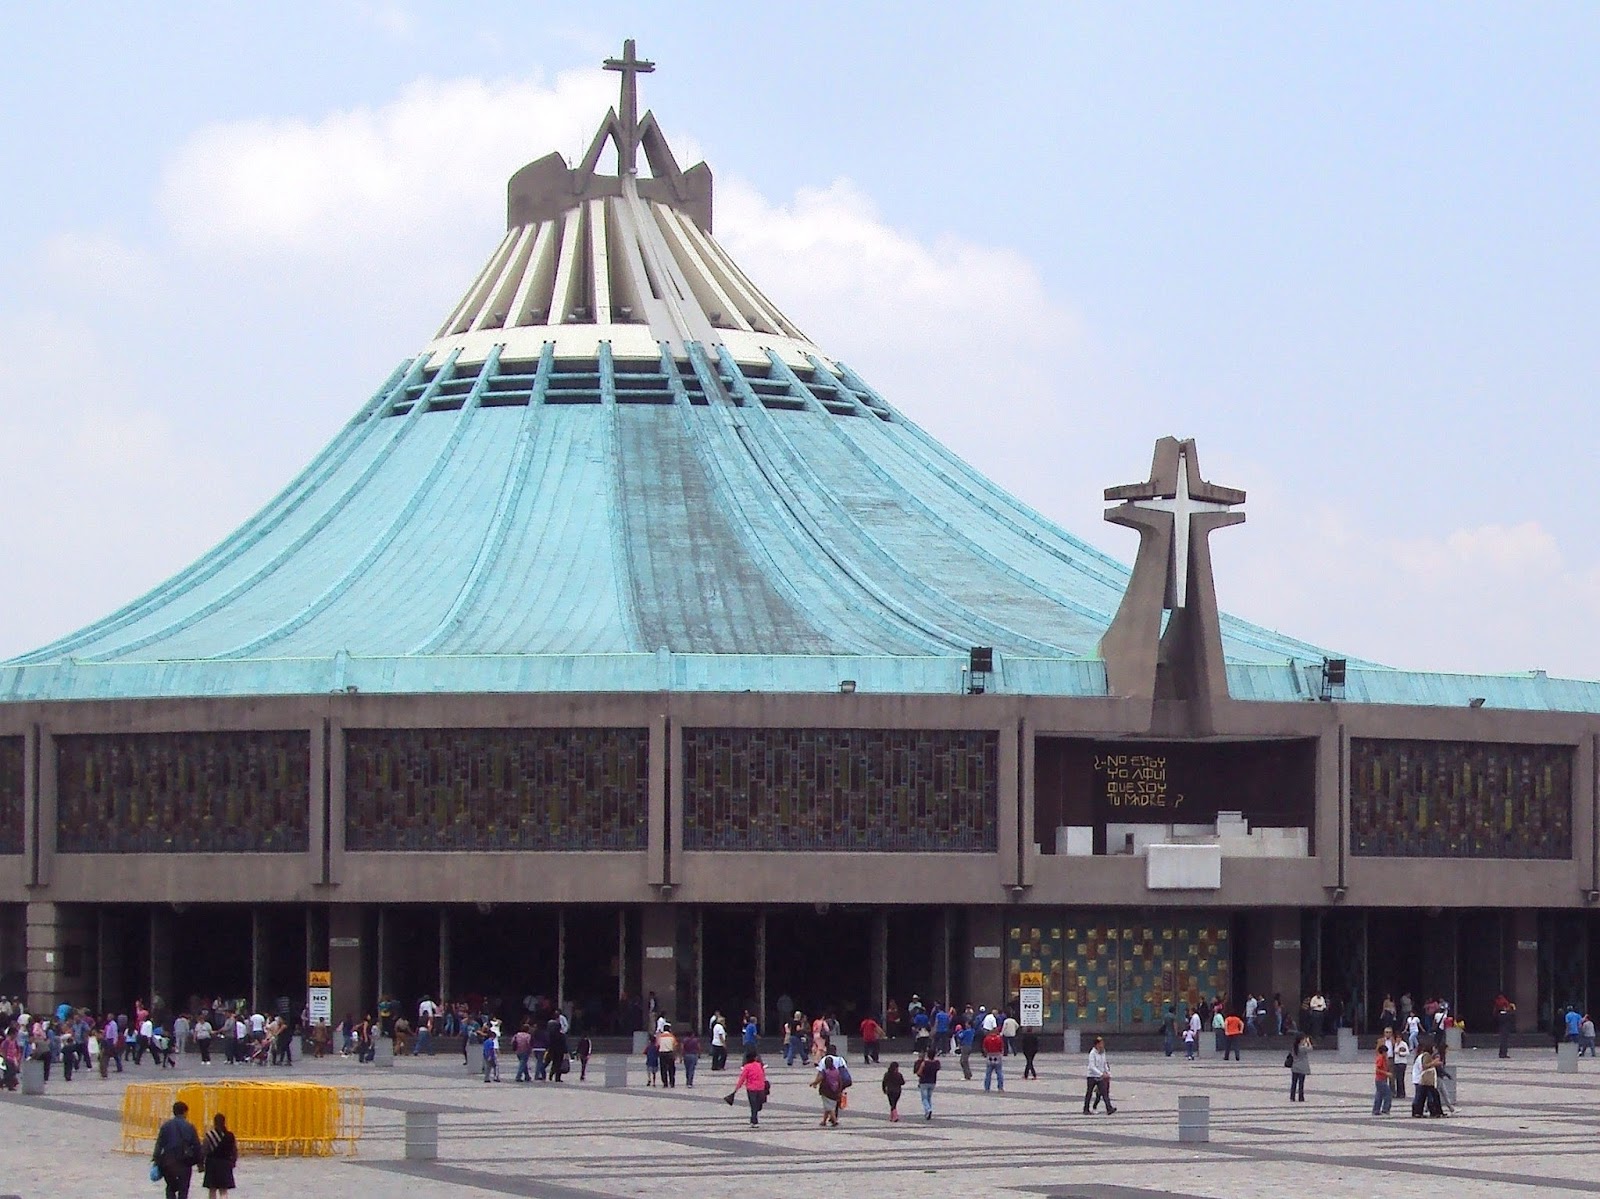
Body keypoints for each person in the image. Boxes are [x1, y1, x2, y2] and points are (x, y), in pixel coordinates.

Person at [152, 1100, 202, 1199]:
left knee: (170, 1187)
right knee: (183, 1189)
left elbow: (159, 1145)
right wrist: (200, 1163)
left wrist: (156, 1160)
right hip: (184, 1162)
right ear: (184, 1112)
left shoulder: (165, 1126)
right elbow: (197, 1146)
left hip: (168, 1162)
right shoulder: (190, 1127)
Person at [812, 1043, 851, 1126]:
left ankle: (833, 1119)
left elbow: (820, 1073)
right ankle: (832, 1116)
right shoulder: (840, 1059)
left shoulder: (824, 1059)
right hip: (840, 1082)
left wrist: (815, 1083)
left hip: (828, 1085)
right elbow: (845, 1070)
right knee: (835, 1099)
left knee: (828, 1101)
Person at [201, 1112, 237, 1197]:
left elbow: (204, 1150)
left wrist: (201, 1163)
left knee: (212, 1189)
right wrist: (233, 1162)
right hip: (225, 1164)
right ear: (224, 1122)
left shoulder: (209, 1135)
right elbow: (234, 1150)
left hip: (212, 1164)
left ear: (214, 1123)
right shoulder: (230, 1135)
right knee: (223, 1189)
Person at [730, 1050, 769, 1126]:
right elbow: (763, 1075)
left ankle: (754, 1119)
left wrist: (736, 1089)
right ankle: (754, 1120)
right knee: (757, 1104)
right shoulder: (759, 1065)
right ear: (754, 1058)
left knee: (754, 1105)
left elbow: (742, 1078)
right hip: (760, 1088)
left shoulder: (747, 1067)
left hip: (751, 1089)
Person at [1084, 1035, 1116, 1114]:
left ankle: (1109, 1108)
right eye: (1100, 1043)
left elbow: (1104, 1063)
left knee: (1104, 1092)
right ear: (1096, 1044)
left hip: (1100, 1077)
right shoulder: (1092, 1053)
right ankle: (1086, 1109)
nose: (1102, 1045)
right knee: (1089, 1092)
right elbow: (1092, 1066)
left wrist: (1107, 1072)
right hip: (1092, 1076)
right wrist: (1101, 1073)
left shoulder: (1103, 1052)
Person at [913, 1047, 940, 1120]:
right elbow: (938, 1069)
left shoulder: (924, 1063)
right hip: (933, 1082)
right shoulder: (937, 1063)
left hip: (924, 1082)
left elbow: (919, 1073)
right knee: (929, 1097)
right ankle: (928, 1111)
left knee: (924, 1098)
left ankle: (928, 1109)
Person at [1288, 1033, 1311, 1102]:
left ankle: (1292, 1097)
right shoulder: (1302, 1048)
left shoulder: (1294, 1047)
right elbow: (1310, 1049)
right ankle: (1301, 1097)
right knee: (1301, 1084)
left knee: (1294, 1083)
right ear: (1301, 1040)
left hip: (1294, 1067)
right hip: (1302, 1068)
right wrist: (1308, 1042)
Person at [1372, 1039, 1392, 1115]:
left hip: (1380, 1079)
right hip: (1380, 1079)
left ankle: (1376, 1110)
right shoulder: (1380, 1058)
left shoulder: (1382, 1058)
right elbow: (1377, 1069)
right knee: (1388, 1094)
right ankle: (1385, 1108)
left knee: (1379, 1095)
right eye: (1385, 1052)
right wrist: (1386, 1073)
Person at [982, 1026, 1005, 1091]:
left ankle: (987, 1088)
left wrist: (986, 1053)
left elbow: (984, 1048)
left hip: (989, 1055)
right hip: (997, 1055)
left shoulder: (987, 1038)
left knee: (988, 1073)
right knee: (999, 1072)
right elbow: (1002, 1048)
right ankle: (1000, 1087)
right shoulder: (999, 1038)